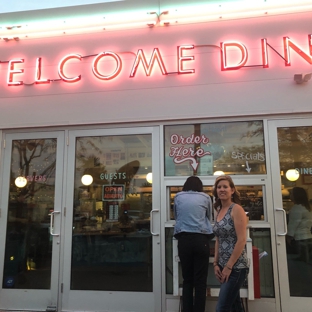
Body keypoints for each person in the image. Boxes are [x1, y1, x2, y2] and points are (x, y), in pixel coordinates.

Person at [173, 176, 214, 312]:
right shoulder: (205, 197)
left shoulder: (178, 196)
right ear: (200, 186)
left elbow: (177, 216)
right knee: (200, 282)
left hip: (184, 240)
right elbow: (209, 217)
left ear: (185, 185)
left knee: (187, 280)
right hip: (201, 239)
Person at [212, 175, 249, 312]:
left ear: (232, 190)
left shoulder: (237, 209)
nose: (222, 189)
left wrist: (228, 266)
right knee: (235, 306)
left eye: (225, 187)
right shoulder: (218, 210)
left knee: (222, 308)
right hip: (223, 266)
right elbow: (218, 239)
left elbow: (242, 240)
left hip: (236, 267)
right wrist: (216, 264)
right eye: (219, 187)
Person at [286, 187, 312, 259]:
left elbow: (293, 224)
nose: (290, 195)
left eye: (291, 194)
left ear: (296, 195)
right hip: (308, 236)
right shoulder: (307, 207)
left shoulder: (296, 208)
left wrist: (288, 237)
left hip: (299, 238)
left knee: (298, 262)